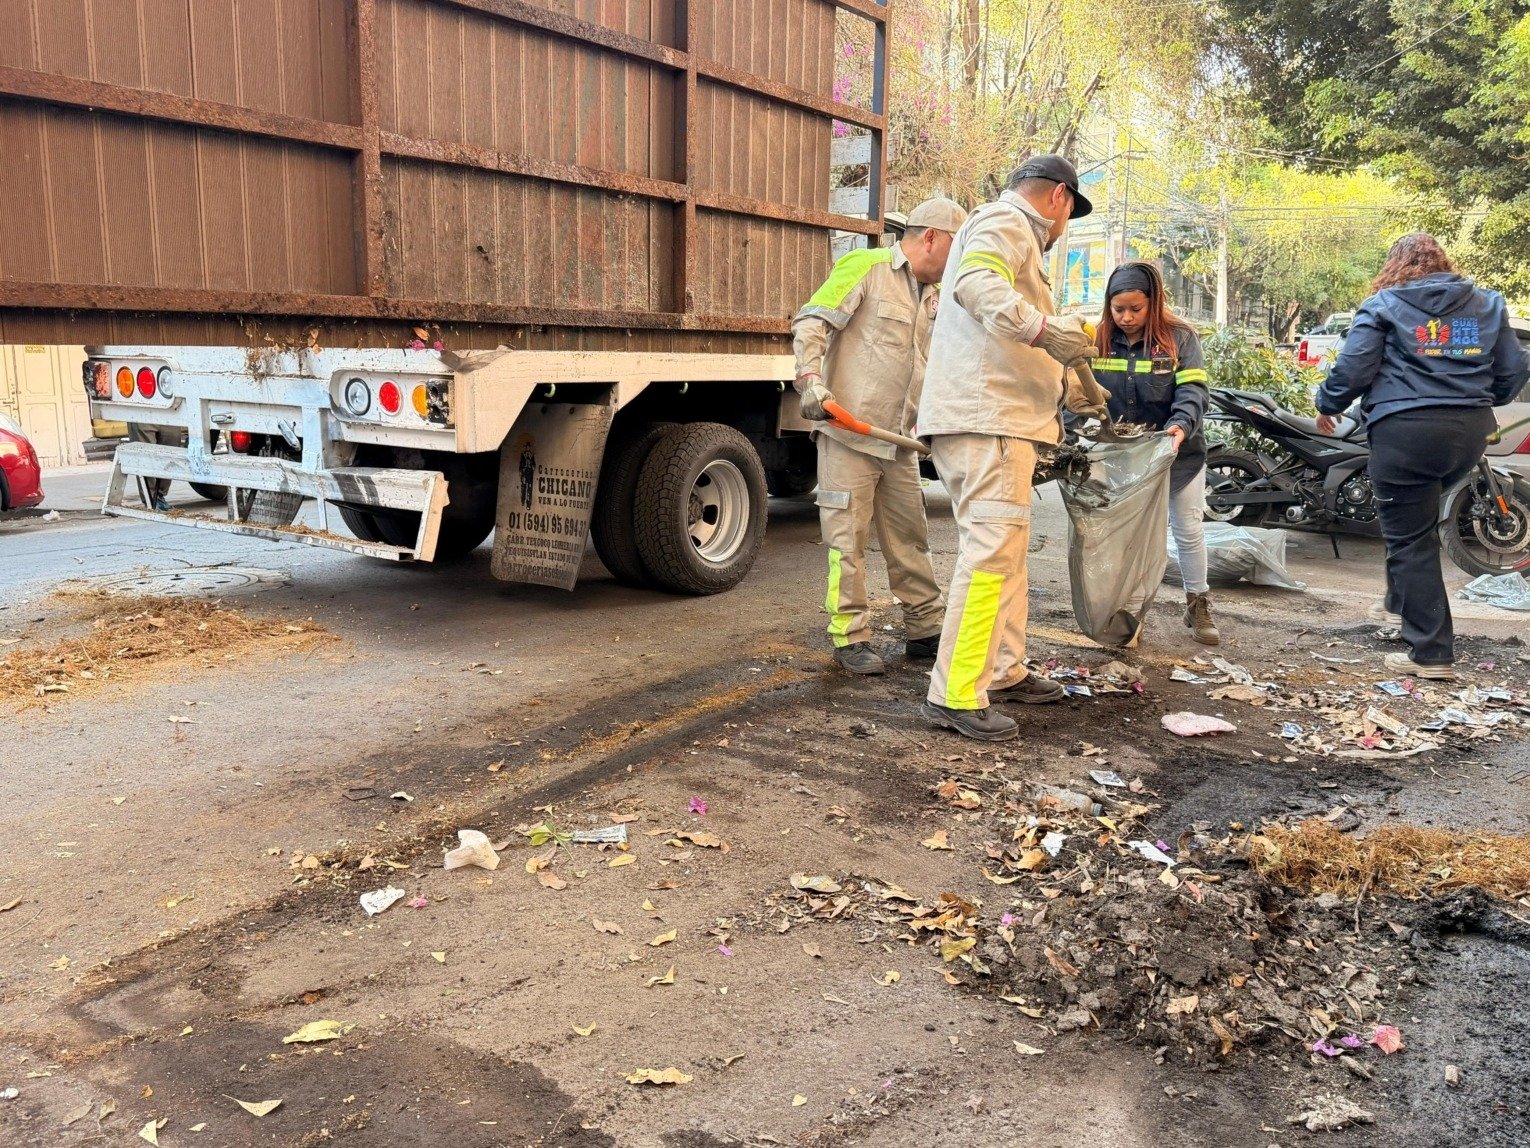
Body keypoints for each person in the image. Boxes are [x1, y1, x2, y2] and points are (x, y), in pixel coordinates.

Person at [916, 155, 1098, 741]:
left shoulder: (1012, 234)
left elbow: (1010, 336)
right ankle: (955, 692)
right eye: (1069, 213)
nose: (1064, 225)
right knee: (992, 554)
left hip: (997, 420)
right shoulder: (1007, 221)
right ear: (1060, 198)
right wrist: (1045, 329)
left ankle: (1004, 669)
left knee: (1006, 554)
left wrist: (1071, 385)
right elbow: (974, 284)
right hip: (988, 420)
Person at [1316, 233, 1528, 680]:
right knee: (1415, 525)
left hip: (1405, 431)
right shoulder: (1488, 303)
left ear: (1394, 266)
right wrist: (1477, 399)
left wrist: (1328, 404)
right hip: (1469, 433)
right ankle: (1398, 604)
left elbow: (1353, 369)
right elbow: (1514, 370)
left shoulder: (1383, 305)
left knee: (1410, 538)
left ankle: (1431, 654)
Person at [792, 197, 969, 675]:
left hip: (899, 441)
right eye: (957, 247)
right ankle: (850, 636)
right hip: (848, 434)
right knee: (846, 541)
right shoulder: (866, 267)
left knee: (910, 537)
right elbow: (812, 320)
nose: (960, 260)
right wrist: (810, 379)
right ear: (931, 237)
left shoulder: (933, 296)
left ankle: (925, 629)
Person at [1089, 261, 1218, 645]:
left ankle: (1197, 604)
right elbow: (1080, 394)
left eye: (1136, 309)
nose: (1126, 318)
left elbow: (1193, 390)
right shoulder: (1097, 339)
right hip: (1124, 456)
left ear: (1154, 302)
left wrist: (1181, 426)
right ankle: (1129, 612)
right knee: (1129, 537)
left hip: (1178, 451)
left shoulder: (1180, 338)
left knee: (1188, 529)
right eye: (1118, 309)